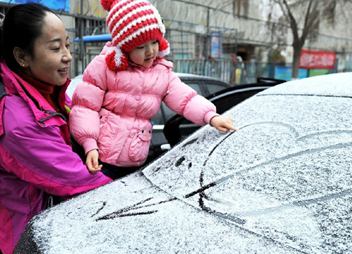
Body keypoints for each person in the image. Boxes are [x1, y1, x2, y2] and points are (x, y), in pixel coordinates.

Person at [70, 0, 236, 179]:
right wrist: (89, 145)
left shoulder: (162, 72)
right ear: (124, 47)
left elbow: (186, 99)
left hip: (136, 160)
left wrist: (211, 116)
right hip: (101, 159)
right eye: (140, 47)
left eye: (154, 43)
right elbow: (85, 107)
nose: (150, 51)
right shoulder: (105, 66)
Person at [0, 3, 111, 254]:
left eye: (68, 45)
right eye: (55, 47)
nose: (67, 56)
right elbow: (79, 180)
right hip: (34, 243)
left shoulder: (45, 92)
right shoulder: (20, 122)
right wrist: (130, 193)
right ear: (22, 57)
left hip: (55, 225)